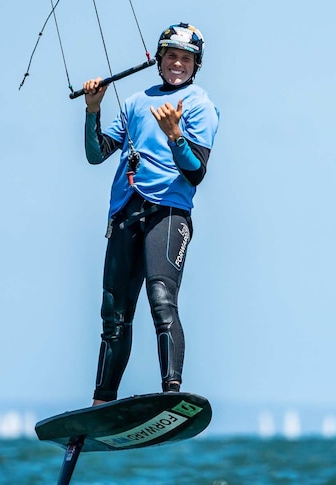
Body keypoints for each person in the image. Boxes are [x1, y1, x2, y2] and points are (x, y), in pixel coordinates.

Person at [81, 23, 220, 406]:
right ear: (159, 60)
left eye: (186, 59)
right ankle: (101, 402)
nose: (178, 64)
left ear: (196, 65)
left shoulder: (199, 105)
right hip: (126, 212)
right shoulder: (135, 102)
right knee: (114, 314)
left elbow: (196, 173)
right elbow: (97, 153)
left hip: (169, 214)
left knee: (161, 299)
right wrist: (93, 110)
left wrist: (176, 135)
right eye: (172, 56)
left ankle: (170, 393)